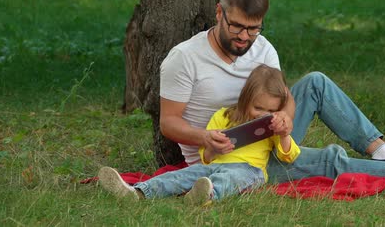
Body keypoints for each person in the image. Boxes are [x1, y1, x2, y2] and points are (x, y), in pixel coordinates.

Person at [158, 0, 385, 186]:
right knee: (330, 159)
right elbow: (169, 123)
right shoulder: (184, 57)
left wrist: (284, 121)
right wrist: (205, 137)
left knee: (316, 82)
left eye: (253, 29)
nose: (244, 37)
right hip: (229, 159)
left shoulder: (262, 48)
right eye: (237, 26)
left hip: (268, 138)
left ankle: (384, 151)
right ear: (219, 13)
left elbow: (285, 98)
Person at [98, 65, 301, 203]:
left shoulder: (272, 126)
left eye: (272, 110)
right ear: (245, 99)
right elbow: (205, 157)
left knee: (231, 178)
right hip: (214, 165)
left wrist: (284, 134)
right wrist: (213, 148)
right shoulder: (223, 116)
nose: (265, 115)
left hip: (251, 170)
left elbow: (289, 156)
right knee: (182, 175)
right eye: (258, 108)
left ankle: (207, 196)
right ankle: (137, 192)